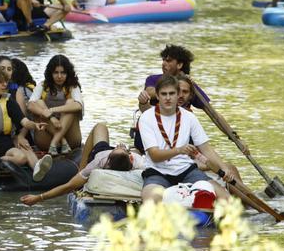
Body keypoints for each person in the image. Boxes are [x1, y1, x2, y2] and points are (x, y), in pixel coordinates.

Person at [138, 75, 236, 203]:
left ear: (178, 94)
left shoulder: (189, 117)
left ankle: (211, 219)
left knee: (227, 199)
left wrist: (224, 167)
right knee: (150, 201)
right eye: (164, 94)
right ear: (157, 95)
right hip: (157, 172)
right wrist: (179, 150)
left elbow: (206, 148)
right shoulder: (146, 117)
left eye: (172, 93)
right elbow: (155, 155)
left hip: (186, 170)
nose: (168, 98)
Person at [20, 123, 147, 205]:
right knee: (136, 148)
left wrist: (38, 198)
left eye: (120, 147)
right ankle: (81, 167)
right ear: (130, 157)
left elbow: (68, 186)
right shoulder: (139, 161)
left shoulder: (99, 161)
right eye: (122, 147)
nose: (119, 144)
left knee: (99, 127)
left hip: (101, 152)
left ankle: (80, 167)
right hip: (114, 156)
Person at [27, 54, 83, 156]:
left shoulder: (73, 86)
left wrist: (52, 110)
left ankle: (55, 142)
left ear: (68, 73)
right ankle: (62, 140)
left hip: (71, 139)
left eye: (63, 73)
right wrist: (51, 117)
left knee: (71, 104)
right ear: (50, 73)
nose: (59, 76)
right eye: (56, 72)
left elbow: (78, 106)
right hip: (46, 139)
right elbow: (30, 105)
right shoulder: (42, 85)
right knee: (39, 103)